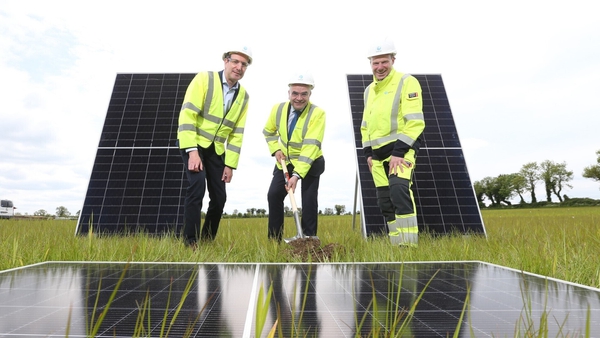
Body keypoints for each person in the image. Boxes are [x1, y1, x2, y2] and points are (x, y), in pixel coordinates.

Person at [177, 45, 252, 248]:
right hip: (195, 143)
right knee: (197, 186)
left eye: (244, 64)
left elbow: (237, 133)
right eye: (235, 61)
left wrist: (230, 165)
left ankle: (207, 241)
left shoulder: (244, 96)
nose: (239, 67)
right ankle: (190, 242)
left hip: (217, 150)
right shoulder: (204, 79)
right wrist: (192, 151)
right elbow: (188, 114)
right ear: (225, 61)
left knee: (219, 197)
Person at [361, 38, 425, 246]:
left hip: (401, 151)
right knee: (385, 202)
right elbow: (365, 125)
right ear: (370, 63)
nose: (380, 67)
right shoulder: (369, 90)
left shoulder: (407, 82)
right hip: (377, 156)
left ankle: (409, 246)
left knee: (399, 191)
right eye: (375, 63)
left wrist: (399, 152)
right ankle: (396, 244)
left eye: (384, 62)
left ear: (393, 60)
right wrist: (368, 154)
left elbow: (415, 123)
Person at [263, 72, 326, 242]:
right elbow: (268, 132)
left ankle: (309, 238)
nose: (299, 98)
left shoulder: (318, 114)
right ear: (289, 93)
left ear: (310, 94)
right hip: (285, 162)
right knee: (274, 194)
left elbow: (311, 146)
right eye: (295, 93)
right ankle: (274, 241)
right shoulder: (278, 109)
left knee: (309, 198)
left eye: (303, 94)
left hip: (310, 162)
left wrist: (297, 175)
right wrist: (276, 149)